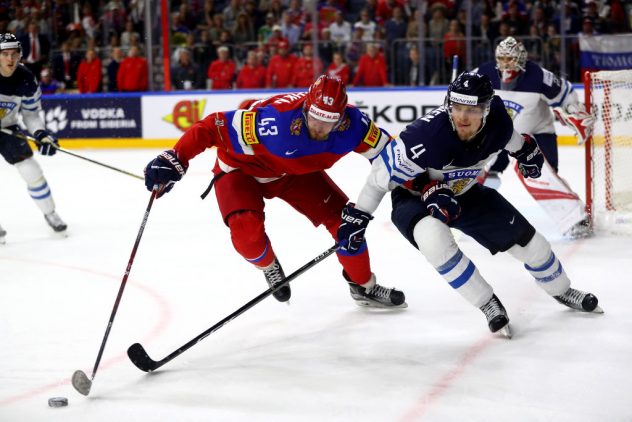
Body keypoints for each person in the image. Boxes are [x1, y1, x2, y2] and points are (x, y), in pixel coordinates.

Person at [338, 72, 601, 336]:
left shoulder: (498, 122)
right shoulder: (424, 136)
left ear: (486, 110)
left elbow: (513, 141)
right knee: (434, 240)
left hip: (465, 194)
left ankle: (563, 290)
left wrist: (525, 152)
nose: (462, 117)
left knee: (533, 246)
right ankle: (488, 304)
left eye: (472, 110)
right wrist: (359, 217)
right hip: (413, 200)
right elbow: (379, 179)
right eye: (457, 108)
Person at [143, 75, 406, 308]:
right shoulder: (273, 121)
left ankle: (363, 286)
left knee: (346, 226)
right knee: (246, 232)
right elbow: (213, 127)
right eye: (314, 118)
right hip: (241, 170)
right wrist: (176, 157)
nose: (319, 128)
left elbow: (390, 155)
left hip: (292, 174)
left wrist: (419, 184)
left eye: (329, 123)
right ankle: (268, 264)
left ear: (341, 117)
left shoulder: (355, 125)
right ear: (305, 107)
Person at [475, 37, 595, 239]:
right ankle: (474, 212)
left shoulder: (538, 75)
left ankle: (576, 217)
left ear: (521, 58)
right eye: (502, 58)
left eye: (510, 59)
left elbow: (565, 93)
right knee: (478, 168)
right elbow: (465, 91)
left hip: (537, 132)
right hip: (501, 133)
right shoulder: (485, 72)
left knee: (540, 172)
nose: (505, 63)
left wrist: (573, 109)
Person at [0, 33, 67, 243]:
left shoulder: (26, 79)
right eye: (5, 54)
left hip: (8, 127)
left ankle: (50, 213)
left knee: (32, 170)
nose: (10, 59)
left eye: (14, 54)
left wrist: (40, 133)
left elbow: (30, 114)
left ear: (20, 56)